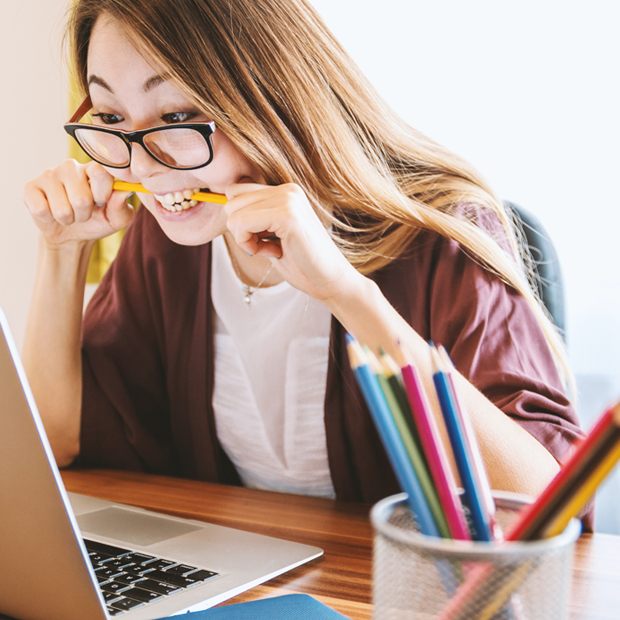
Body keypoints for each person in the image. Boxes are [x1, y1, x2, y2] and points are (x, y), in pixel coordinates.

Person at [22, 0, 589, 526]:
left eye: (177, 114)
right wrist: (62, 250)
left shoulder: (440, 235)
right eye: (113, 118)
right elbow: (55, 441)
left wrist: (347, 293)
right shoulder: (167, 243)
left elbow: (545, 508)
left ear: (270, 95)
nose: (145, 167)